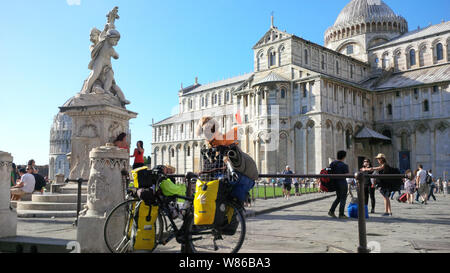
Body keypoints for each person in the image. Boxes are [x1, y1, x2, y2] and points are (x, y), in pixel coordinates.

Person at [328, 151, 349, 219]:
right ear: (344, 157)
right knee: (343, 198)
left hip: (335, 183)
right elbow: (347, 175)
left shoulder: (332, 163)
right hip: (342, 183)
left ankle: (331, 211)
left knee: (338, 197)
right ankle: (341, 214)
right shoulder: (344, 165)